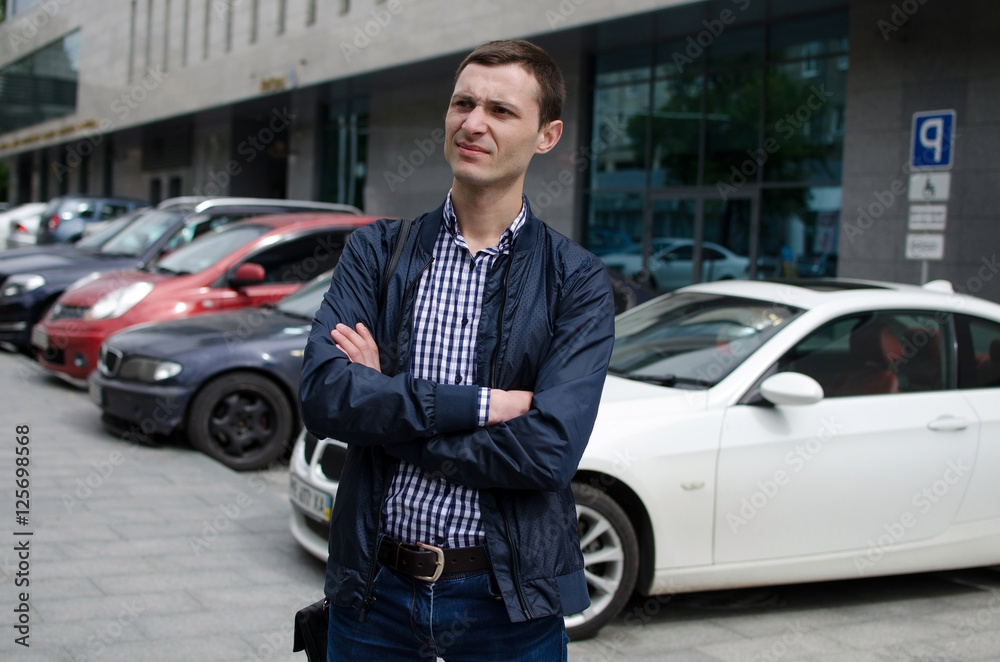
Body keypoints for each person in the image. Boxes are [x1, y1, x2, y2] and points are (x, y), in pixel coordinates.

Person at [299, 39, 616, 661]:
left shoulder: (574, 280)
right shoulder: (377, 253)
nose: (473, 123)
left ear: (546, 136)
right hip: (374, 593)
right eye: (463, 103)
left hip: (506, 603)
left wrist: (386, 412)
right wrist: (479, 405)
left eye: (501, 111)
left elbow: (547, 452)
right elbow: (324, 398)